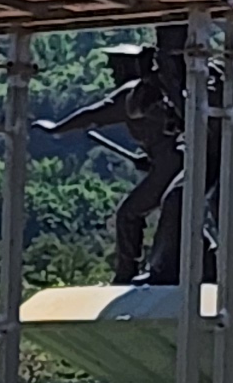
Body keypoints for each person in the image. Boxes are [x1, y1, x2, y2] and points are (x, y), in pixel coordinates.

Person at [38, 34, 186, 285]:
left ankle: (127, 273)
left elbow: (94, 115)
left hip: (171, 164)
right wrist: (147, 159)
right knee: (176, 213)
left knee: (129, 214)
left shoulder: (134, 94)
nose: (112, 71)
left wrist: (57, 128)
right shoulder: (149, 92)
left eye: (116, 66)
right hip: (168, 162)